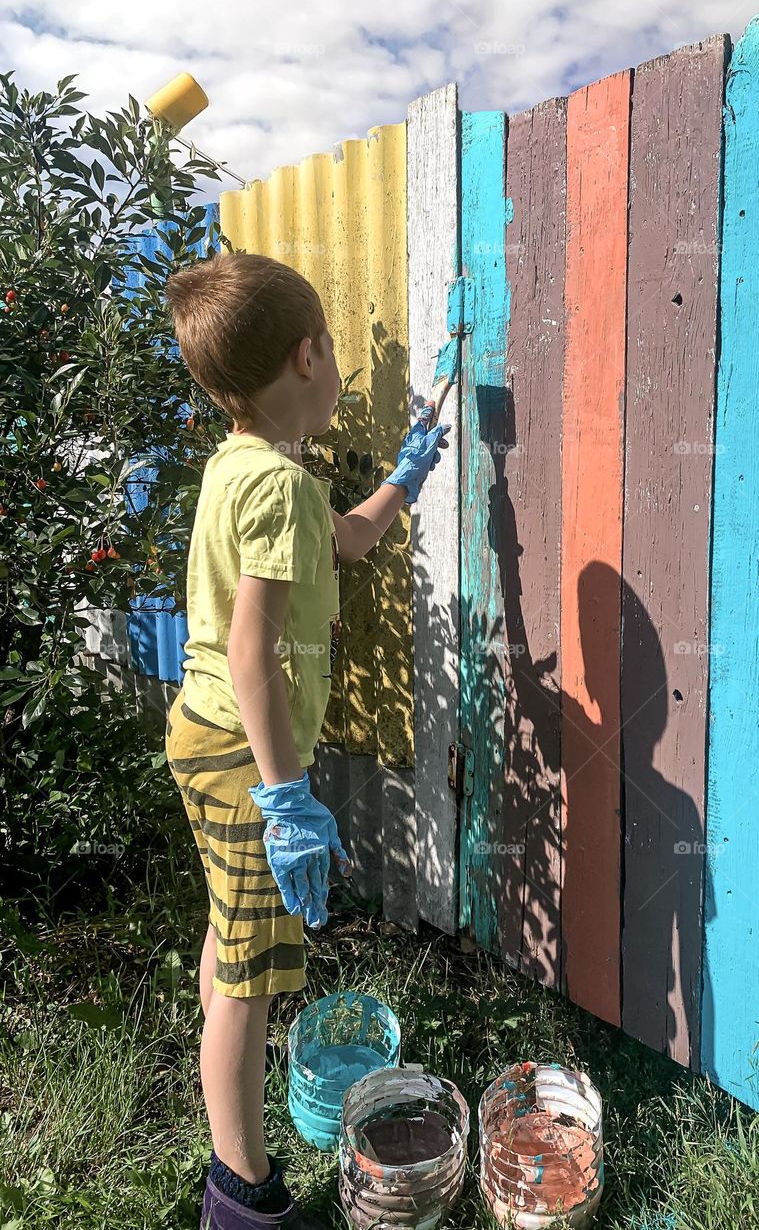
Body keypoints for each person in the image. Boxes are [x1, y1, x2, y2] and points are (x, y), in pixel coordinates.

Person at [162, 251, 449, 1230]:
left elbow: (352, 539)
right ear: (309, 355)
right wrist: (286, 799)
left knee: (228, 940)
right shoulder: (276, 488)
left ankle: (223, 1085)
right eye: (331, 353)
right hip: (242, 752)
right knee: (249, 982)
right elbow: (253, 654)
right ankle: (243, 1192)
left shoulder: (249, 468)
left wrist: (409, 472)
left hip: (202, 737)